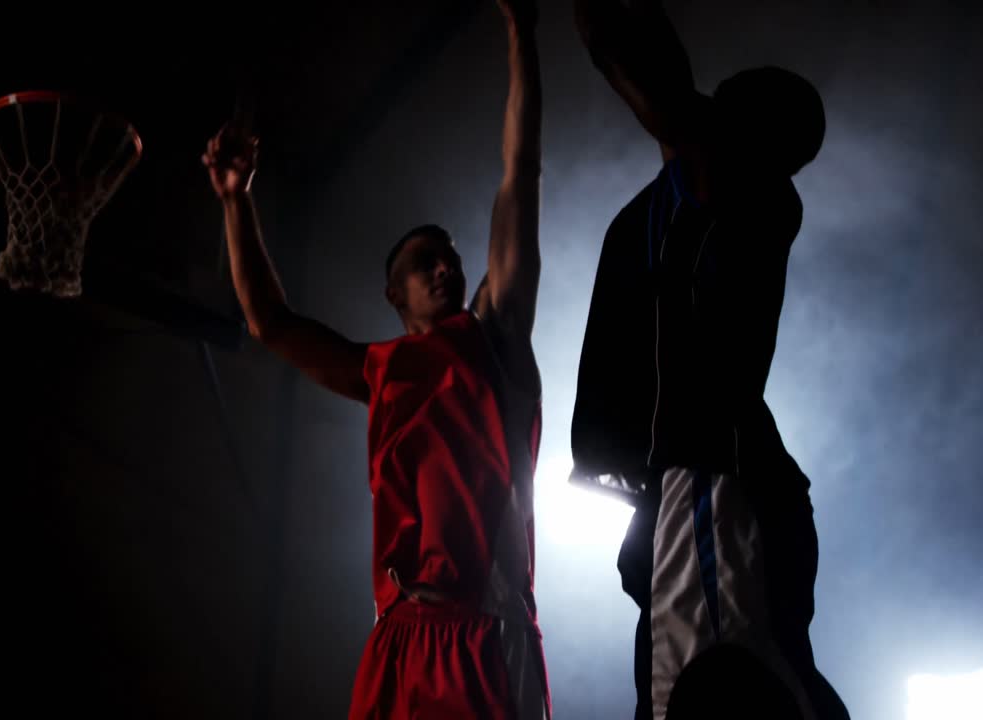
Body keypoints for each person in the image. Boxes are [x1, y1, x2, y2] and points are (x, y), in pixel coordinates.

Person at [201, 1, 551, 717]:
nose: (448, 268)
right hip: (397, 635)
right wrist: (236, 201)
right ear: (394, 293)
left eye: (452, 258)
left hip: (485, 626)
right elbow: (269, 323)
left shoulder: (496, 338)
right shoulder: (381, 369)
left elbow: (519, 172)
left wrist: (522, 34)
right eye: (428, 263)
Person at [566, 1, 850, 719]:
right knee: (753, 682)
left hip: (712, 481)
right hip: (703, 484)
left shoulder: (754, 196)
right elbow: (671, 104)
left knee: (709, 696)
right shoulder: (691, 198)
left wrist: (603, 35)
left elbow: (666, 99)